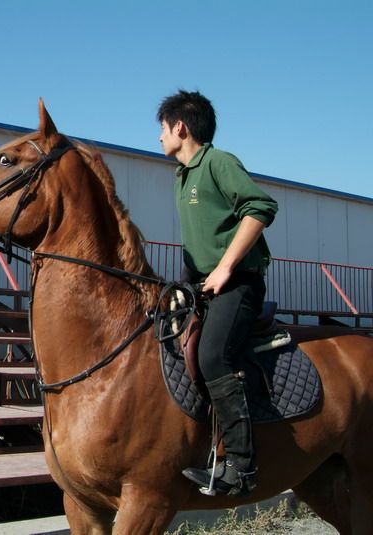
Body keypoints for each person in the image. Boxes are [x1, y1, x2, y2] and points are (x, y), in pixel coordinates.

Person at [157, 90, 278, 496]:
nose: (159, 138)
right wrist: (181, 286)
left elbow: (261, 208)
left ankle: (241, 468)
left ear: (180, 127)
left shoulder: (218, 162)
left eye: (162, 129)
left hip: (240, 283)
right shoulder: (182, 176)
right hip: (205, 284)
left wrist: (226, 267)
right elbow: (198, 244)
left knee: (212, 355)